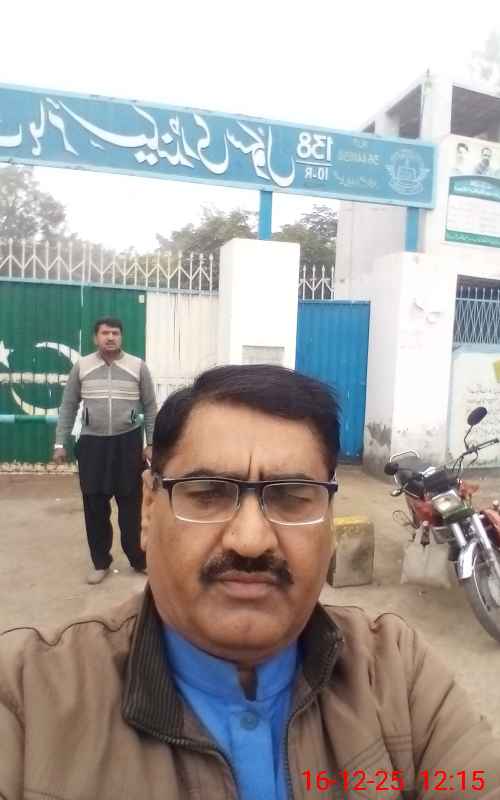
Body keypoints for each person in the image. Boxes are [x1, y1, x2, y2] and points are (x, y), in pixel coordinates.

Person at [1, 364, 499, 800]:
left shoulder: (394, 675)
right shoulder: (28, 699)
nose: (251, 540)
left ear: (328, 518)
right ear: (149, 510)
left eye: (291, 496)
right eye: (207, 493)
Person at [52, 316, 157, 584]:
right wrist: (60, 442)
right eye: (105, 333)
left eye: (115, 333)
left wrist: (151, 443)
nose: (110, 337)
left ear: (121, 337)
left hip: (127, 443)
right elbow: (68, 405)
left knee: (131, 505)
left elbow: (150, 406)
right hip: (92, 444)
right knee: (95, 506)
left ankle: (138, 559)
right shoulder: (82, 367)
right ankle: (101, 562)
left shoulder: (137, 366)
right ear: (95, 338)